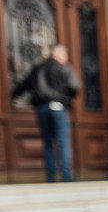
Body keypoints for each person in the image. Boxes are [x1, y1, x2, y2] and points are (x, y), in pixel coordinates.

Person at [11, 44, 81, 182]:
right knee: (62, 141)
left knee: (48, 142)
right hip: (59, 107)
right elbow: (75, 86)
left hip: (42, 108)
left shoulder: (38, 68)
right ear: (60, 55)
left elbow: (23, 85)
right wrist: (65, 98)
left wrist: (13, 96)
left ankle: (51, 176)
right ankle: (66, 175)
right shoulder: (65, 68)